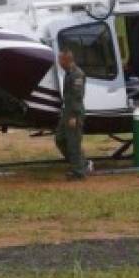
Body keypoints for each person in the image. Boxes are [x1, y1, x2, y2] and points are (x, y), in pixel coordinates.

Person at [55, 48, 91, 180]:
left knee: (73, 143)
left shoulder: (77, 74)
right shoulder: (68, 73)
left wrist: (73, 116)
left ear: (66, 60)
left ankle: (78, 172)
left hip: (73, 113)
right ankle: (82, 164)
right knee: (60, 139)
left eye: (60, 59)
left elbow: (77, 96)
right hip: (67, 111)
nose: (58, 62)